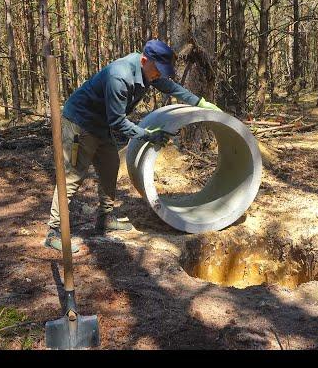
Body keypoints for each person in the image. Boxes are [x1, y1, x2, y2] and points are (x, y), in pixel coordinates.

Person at [45, 39, 221, 251]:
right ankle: (54, 231)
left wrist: (199, 102)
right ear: (145, 60)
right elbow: (118, 121)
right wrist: (148, 135)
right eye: (158, 70)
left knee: (110, 169)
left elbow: (169, 86)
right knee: (73, 176)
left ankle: (105, 218)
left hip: (102, 126)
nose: (160, 74)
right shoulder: (119, 77)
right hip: (80, 124)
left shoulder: (148, 71)